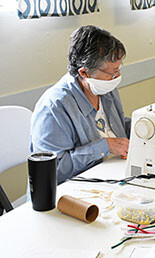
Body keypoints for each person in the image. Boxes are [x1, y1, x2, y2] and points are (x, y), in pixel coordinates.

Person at [30, 25, 131, 184]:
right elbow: (53, 171)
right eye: (112, 73)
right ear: (84, 72)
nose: (116, 77)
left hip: (114, 174)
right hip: (71, 192)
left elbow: (115, 127)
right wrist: (103, 147)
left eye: (118, 70)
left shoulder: (105, 88)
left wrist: (146, 124)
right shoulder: (54, 107)